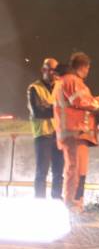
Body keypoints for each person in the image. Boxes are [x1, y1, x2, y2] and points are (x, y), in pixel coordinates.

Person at [53, 52, 99, 212]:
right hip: (74, 132)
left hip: (75, 133)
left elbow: (79, 102)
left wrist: (96, 100)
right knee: (75, 170)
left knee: (79, 171)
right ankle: (71, 205)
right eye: (88, 68)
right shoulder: (72, 80)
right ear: (84, 67)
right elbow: (81, 101)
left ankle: (77, 203)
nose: (88, 71)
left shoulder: (66, 81)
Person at [27, 57, 64, 199]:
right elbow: (38, 112)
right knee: (42, 172)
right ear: (44, 70)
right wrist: (57, 108)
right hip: (43, 135)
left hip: (58, 134)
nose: (54, 73)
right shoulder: (34, 88)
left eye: (56, 70)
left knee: (58, 173)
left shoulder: (60, 87)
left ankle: (57, 201)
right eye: (52, 70)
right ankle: (40, 204)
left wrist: (50, 107)